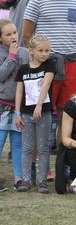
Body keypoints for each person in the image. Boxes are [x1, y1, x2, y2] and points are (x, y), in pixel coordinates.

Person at [22, 0, 76, 146]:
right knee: (39, 111)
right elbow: (27, 36)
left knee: (67, 113)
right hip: (45, 63)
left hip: (70, 62)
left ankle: (62, 161)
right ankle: (38, 165)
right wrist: (38, 62)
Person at [14, 35, 55, 193]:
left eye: (47, 51)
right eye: (41, 50)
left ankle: (42, 181)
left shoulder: (49, 65)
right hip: (25, 114)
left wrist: (39, 105)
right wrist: (17, 113)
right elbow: (19, 92)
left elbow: (46, 84)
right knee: (27, 147)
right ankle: (26, 180)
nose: (44, 54)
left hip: (43, 112)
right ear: (31, 50)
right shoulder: (23, 70)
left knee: (43, 147)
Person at [0, 20, 29, 190]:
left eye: (14, 33)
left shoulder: (25, 53)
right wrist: (11, 57)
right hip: (2, 105)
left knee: (18, 144)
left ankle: (19, 178)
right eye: (8, 34)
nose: (13, 37)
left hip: (19, 107)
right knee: (1, 141)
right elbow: (1, 76)